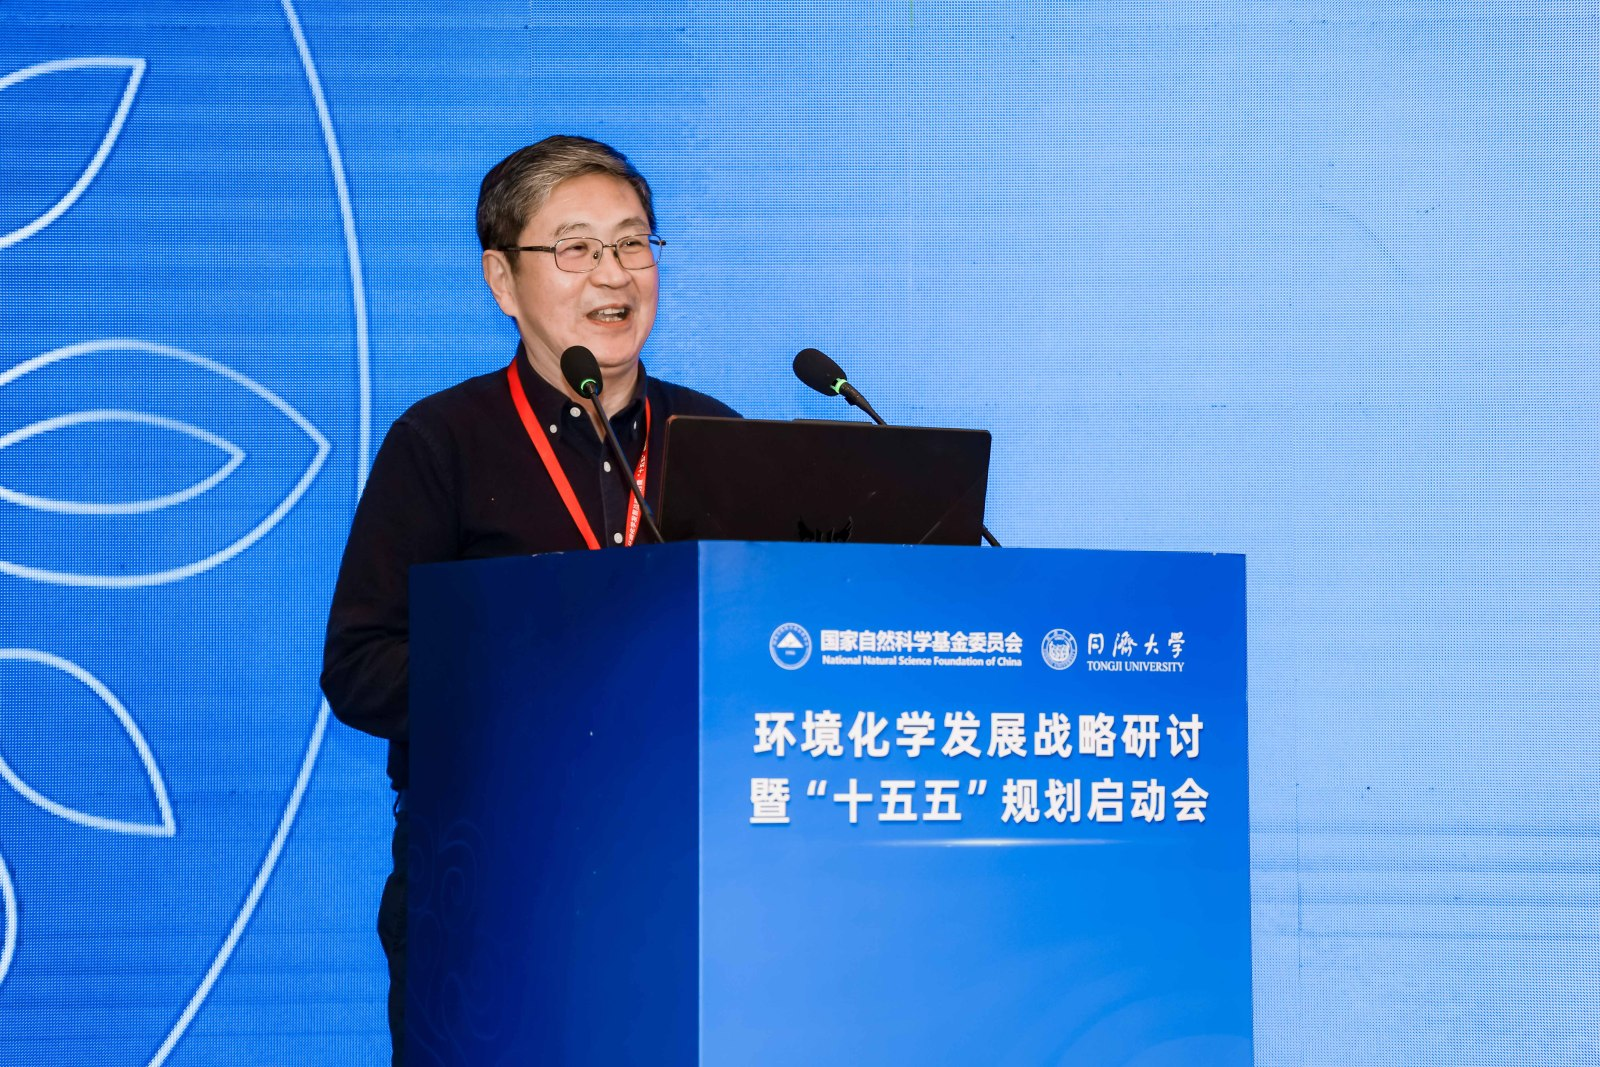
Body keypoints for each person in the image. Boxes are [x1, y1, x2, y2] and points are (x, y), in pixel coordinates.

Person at [320, 135, 738, 1066]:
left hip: (687, 873)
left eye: (632, 242)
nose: (614, 274)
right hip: (494, 878)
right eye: (576, 248)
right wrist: (536, 682)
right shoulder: (442, 442)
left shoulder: (715, 437)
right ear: (502, 281)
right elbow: (359, 664)